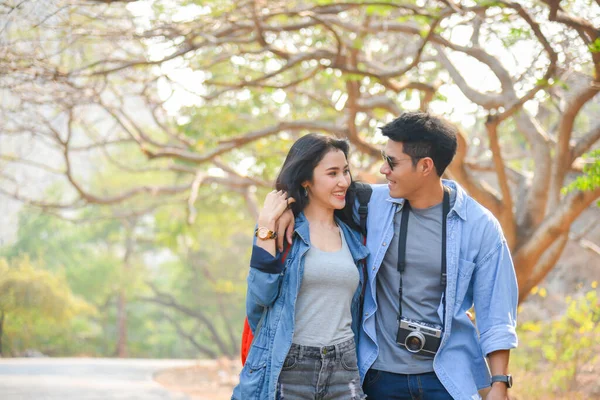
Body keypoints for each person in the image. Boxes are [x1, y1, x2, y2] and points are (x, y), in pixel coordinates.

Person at [276, 112, 519, 400]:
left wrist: (499, 384)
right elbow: (316, 192)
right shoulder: (370, 203)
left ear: (426, 166)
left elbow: (496, 309)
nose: (383, 170)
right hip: (378, 375)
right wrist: (280, 212)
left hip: (448, 377)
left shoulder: (479, 226)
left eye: (393, 162)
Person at [231, 133, 369, 400]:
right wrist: (265, 225)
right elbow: (261, 296)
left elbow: (397, 189)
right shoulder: (280, 231)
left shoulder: (353, 235)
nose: (343, 182)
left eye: (345, 171)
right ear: (306, 179)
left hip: (344, 366)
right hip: (290, 365)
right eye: (332, 173)